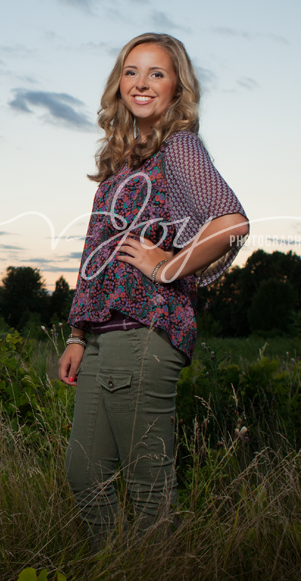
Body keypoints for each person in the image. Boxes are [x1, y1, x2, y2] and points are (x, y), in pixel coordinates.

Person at [58, 32, 249, 549]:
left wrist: (167, 267)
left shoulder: (179, 148)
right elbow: (94, 256)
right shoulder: (117, 167)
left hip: (146, 331)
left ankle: (154, 566)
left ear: (176, 88)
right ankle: (111, 565)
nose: (142, 83)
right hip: (101, 336)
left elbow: (231, 223)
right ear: (118, 84)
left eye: (156, 73)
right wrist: (77, 333)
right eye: (131, 72)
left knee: (147, 487)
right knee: (84, 474)